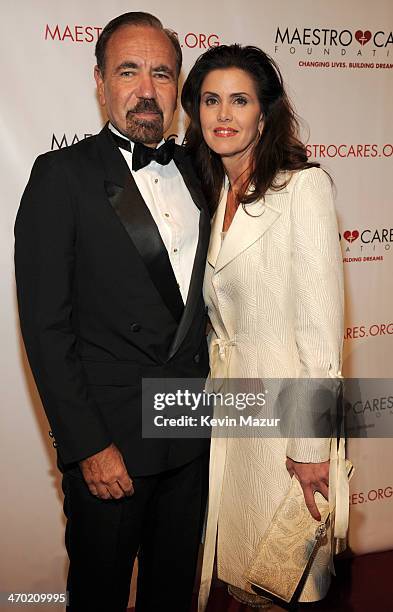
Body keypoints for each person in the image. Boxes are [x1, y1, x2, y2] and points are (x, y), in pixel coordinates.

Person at [14, 12, 210, 612]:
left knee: (173, 595)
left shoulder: (203, 175)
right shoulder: (62, 176)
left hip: (193, 435)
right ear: (99, 82)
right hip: (113, 445)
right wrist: (88, 445)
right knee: (98, 597)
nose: (147, 90)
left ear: (179, 89)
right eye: (129, 71)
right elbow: (46, 329)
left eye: (162, 73)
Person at [182, 44, 345, 610]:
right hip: (231, 419)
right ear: (195, 112)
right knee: (240, 583)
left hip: (287, 430)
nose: (223, 114)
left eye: (239, 100)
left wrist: (310, 446)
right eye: (210, 100)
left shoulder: (303, 189)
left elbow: (322, 334)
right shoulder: (213, 196)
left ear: (264, 112)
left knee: (283, 585)